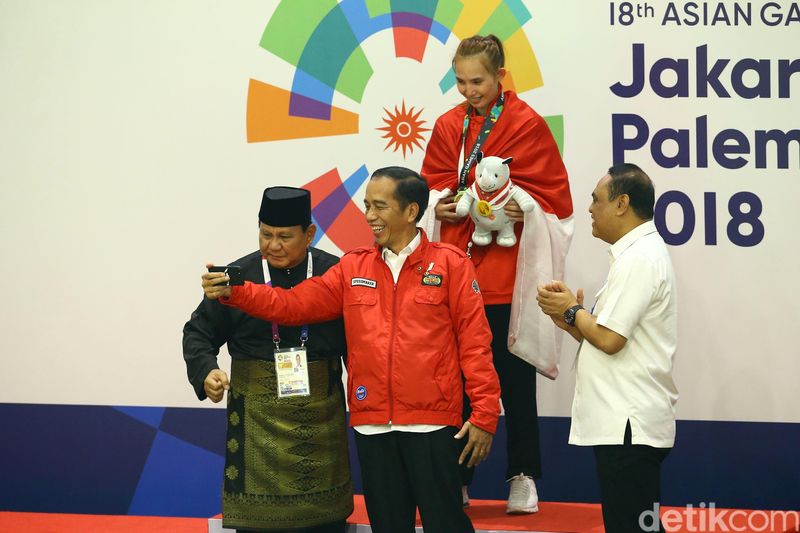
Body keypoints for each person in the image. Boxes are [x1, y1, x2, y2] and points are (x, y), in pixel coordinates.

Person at [202, 167, 501, 533]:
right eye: (366, 206)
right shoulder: (352, 266)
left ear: (410, 211)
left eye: (379, 206)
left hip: (432, 422)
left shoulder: (452, 264)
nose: (370, 216)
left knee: (446, 523)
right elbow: (292, 305)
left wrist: (485, 413)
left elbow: (476, 344)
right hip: (372, 424)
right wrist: (238, 292)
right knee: (389, 526)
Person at [420, 34, 574, 513]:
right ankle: (458, 477)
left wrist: (513, 207)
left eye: (479, 81)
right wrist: (438, 205)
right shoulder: (449, 124)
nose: (470, 91)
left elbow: (554, 198)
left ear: (500, 76)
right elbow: (429, 186)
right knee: (459, 382)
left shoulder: (526, 123)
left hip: (508, 275)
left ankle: (523, 476)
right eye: (462, 82)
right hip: (458, 273)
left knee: (514, 379)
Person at [183, 186, 352, 533]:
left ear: (309, 234)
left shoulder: (334, 273)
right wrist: (207, 371)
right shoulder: (237, 277)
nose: (273, 245)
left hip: (322, 415)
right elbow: (198, 333)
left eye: (284, 237)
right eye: (266, 234)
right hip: (256, 424)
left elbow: (359, 344)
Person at [536, 164, 677, 533]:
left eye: (596, 200)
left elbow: (611, 340)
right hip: (625, 422)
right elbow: (605, 335)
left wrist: (572, 310)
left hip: (628, 424)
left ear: (622, 203)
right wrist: (571, 321)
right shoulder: (636, 255)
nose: (589, 209)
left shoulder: (639, 258)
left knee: (631, 525)